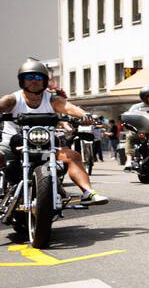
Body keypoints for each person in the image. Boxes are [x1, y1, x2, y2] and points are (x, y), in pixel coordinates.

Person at [0, 59, 109, 204]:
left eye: (38, 77)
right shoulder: (12, 100)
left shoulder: (52, 100)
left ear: (45, 81)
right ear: (22, 81)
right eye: (29, 77)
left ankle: (88, 192)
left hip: (45, 143)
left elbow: (69, 107)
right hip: (12, 143)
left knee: (73, 156)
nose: (34, 81)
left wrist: (84, 115)